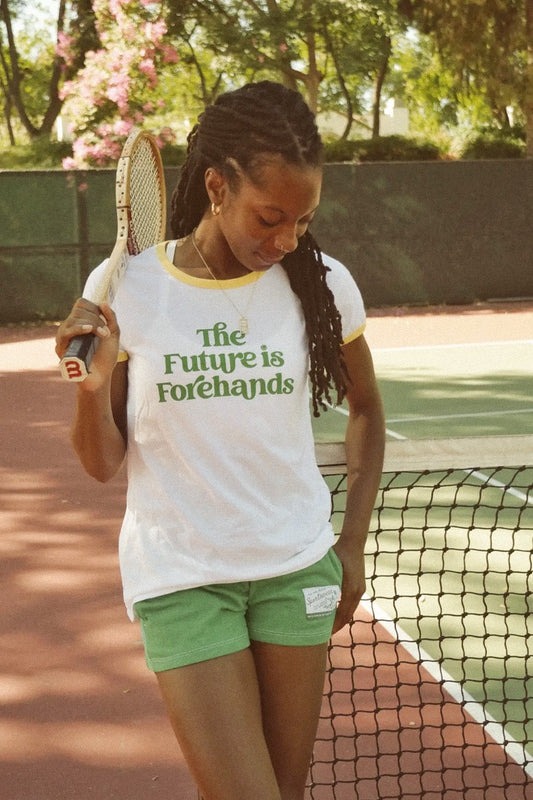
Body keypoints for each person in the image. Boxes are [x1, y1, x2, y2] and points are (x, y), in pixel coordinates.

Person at [55, 81, 385, 800]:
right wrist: (91, 388)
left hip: (295, 570)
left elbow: (366, 410)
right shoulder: (128, 287)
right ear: (216, 187)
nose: (287, 239)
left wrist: (352, 544)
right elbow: (101, 462)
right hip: (182, 578)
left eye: (302, 219)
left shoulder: (324, 285)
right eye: (270, 217)